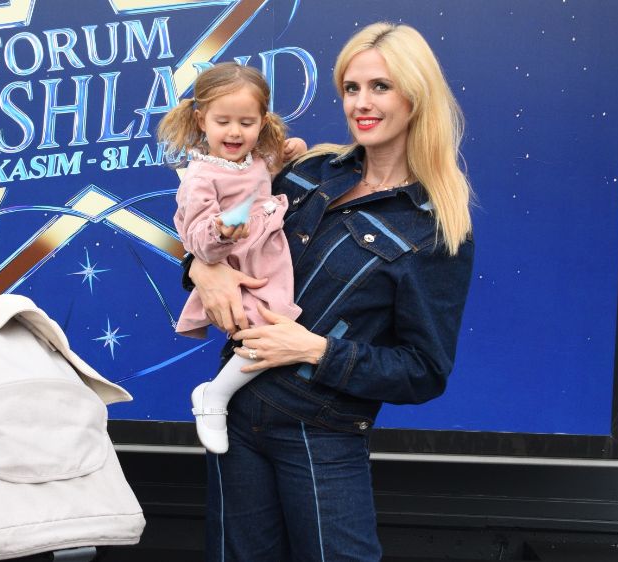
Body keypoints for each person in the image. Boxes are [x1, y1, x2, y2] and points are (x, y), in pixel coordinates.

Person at [183, 22, 475, 561]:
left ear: (416, 96)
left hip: (321, 431)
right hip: (235, 416)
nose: (361, 103)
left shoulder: (434, 228)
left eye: (381, 87)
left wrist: (315, 349)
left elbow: (423, 371)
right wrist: (202, 269)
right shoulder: (306, 172)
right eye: (351, 87)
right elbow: (216, 231)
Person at [158, 62, 307, 454]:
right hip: (241, 266)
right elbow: (198, 243)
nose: (235, 132)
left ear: (263, 122)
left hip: (268, 262)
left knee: (275, 335)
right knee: (268, 334)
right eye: (223, 121)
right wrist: (221, 232)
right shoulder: (200, 177)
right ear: (201, 120)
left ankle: (221, 396)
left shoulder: (256, 159)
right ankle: (215, 397)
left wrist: (293, 152)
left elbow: (270, 172)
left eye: (246, 122)